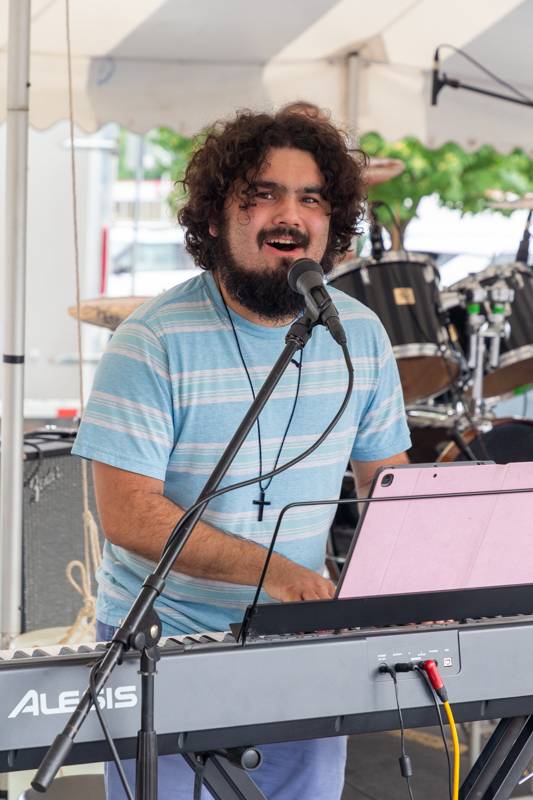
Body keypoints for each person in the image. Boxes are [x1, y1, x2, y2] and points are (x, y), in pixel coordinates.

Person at [73, 107, 411, 799]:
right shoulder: (151, 341)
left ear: (332, 222)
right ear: (213, 217)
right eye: (262, 193)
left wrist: (422, 575)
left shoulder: (362, 335)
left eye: (310, 197)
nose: (289, 214)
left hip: (300, 639)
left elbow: (386, 485)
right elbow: (130, 515)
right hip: (163, 645)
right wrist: (276, 572)